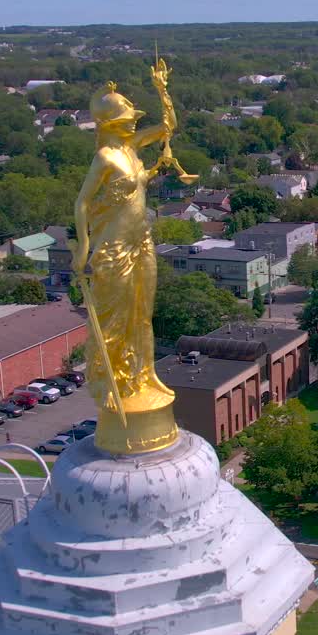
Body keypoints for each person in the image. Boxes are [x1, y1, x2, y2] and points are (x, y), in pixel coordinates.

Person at [71, 60, 196, 454]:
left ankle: (144, 376)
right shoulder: (105, 158)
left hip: (141, 241)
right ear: (107, 124)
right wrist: (83, 247)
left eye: (131, 119)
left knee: (143, 311)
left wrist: (161, 90)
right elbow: (80, 203)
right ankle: (116, 385)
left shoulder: (131, 146)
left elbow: (167, 128)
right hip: (113, 249)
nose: (130, 124)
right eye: (125, 120)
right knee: (116, 318)